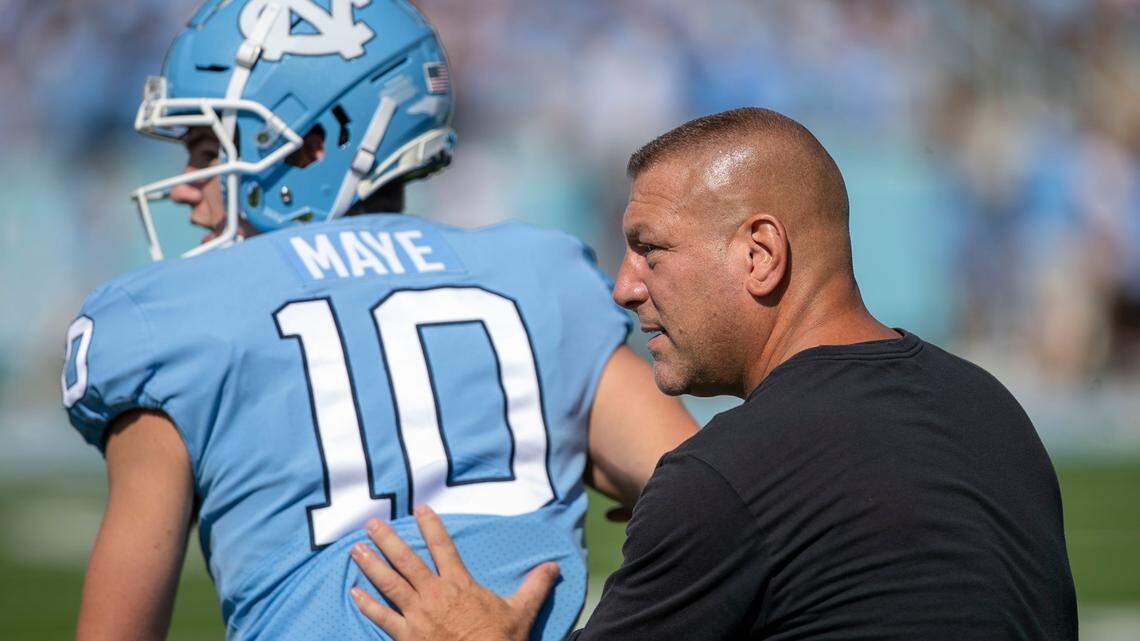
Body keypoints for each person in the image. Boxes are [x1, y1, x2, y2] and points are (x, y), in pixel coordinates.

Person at [61, 2, 695, 640]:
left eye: (206, 149)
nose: (184, 185)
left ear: (312, 148)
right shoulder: (536, 273)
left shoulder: (170, 319)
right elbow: (716, 501)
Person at [348, 108, 1079, 640]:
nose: (625, 287)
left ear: (759, 254)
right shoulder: (990, 406)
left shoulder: (726, 478)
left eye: (650, 249)